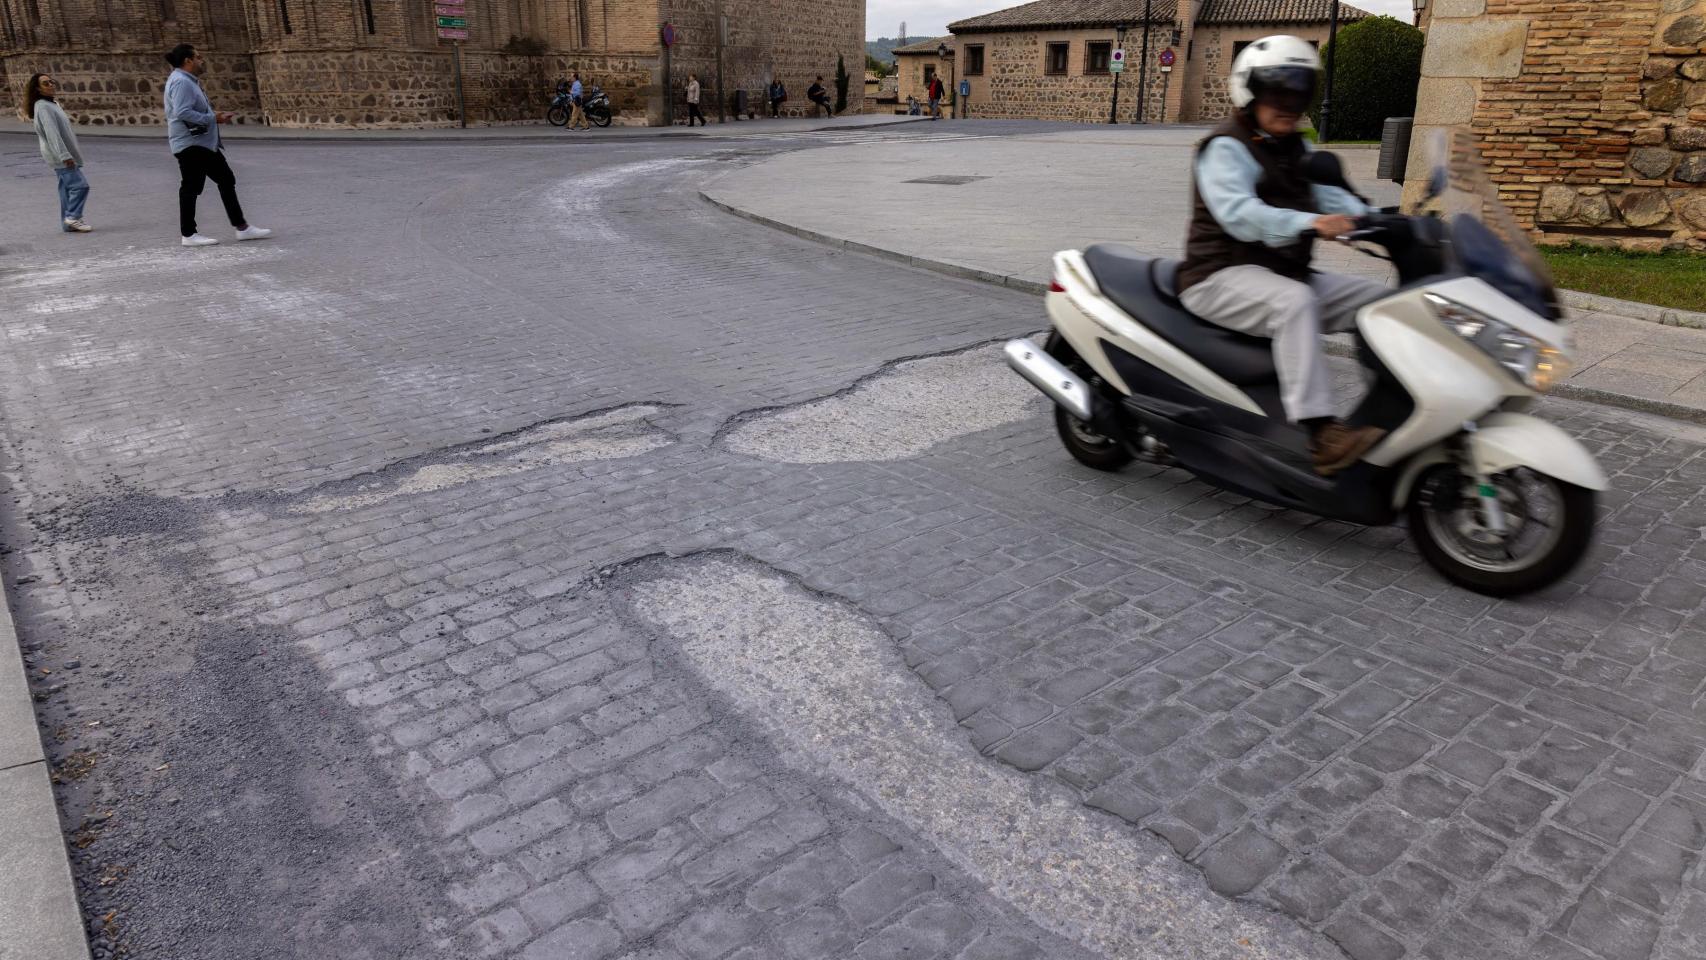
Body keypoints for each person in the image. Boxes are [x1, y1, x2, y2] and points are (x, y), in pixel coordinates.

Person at [1175, 35, 1387, 477]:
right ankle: (1321, 433)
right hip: (1216, 276)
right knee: (1295, 304)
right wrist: (1308, 224)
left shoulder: (1297, 147)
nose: (1288, 103)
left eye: (1299, 92)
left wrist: (1387, 222)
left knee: (1383, 305)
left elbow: (1329, 196)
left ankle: (1390, 407)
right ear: (1249, 92)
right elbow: (1240, 215)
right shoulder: (1225, 147)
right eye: (1277, 92)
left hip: (1280, 272)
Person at [164, 43, 270, 247]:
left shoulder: (186, 80)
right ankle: (189, 234)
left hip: (201, 143)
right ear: (188, 61)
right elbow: (182, 112)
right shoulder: (181, 82)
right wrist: (214, 118)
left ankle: (242, 227)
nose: (202, 61)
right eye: (199, 57)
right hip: (192, 144)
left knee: (225, 179)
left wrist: (213, 116)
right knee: (192, 187)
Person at [25, 73, 92, 233]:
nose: (51, 85)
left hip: (60, 154)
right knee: (81, 186)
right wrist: (64, 156)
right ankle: (73, 217)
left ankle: (66, 223)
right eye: (46, 83)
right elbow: (52, 133)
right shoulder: (43, 106)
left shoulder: (52, 104)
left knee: (66, 189)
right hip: (60, 156)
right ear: (38, 89)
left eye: (51, 81)